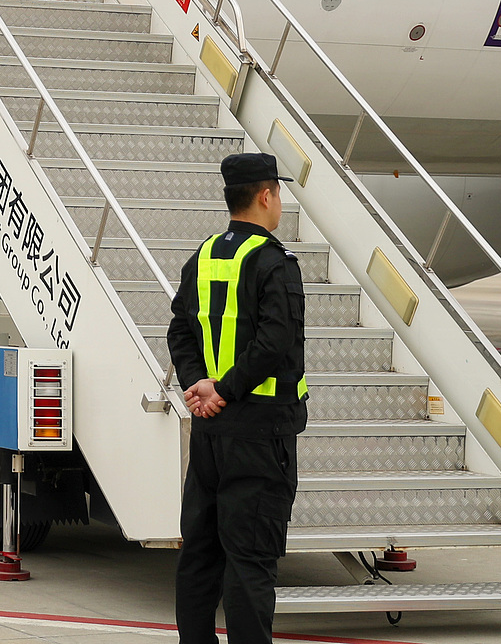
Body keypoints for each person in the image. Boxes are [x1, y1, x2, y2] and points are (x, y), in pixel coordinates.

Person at [165, 152, 307, 644]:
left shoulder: (202, 256)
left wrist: (200, 386)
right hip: (259, 434)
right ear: (266, 196)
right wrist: (223, 390)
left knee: (200, 555)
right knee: (250, 563)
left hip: (209, 434)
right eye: (279, 194)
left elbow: (179, 331)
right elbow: (274, 342)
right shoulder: (274, 262)